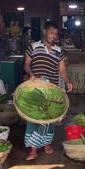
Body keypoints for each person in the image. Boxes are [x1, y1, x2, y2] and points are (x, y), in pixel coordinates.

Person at [24, 21, 73, 161]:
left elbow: (62, 69)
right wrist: (31, 74)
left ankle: (46, 143)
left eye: (56, 33)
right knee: (33, 117)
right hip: (36, 88)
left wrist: (68, 81)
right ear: (45, 31)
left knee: (49, 117)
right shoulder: (33, 47)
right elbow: (26, 64)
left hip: (52, 89)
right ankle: (33, 149)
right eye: (51, 32)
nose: (54, 36)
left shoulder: (59, 51)